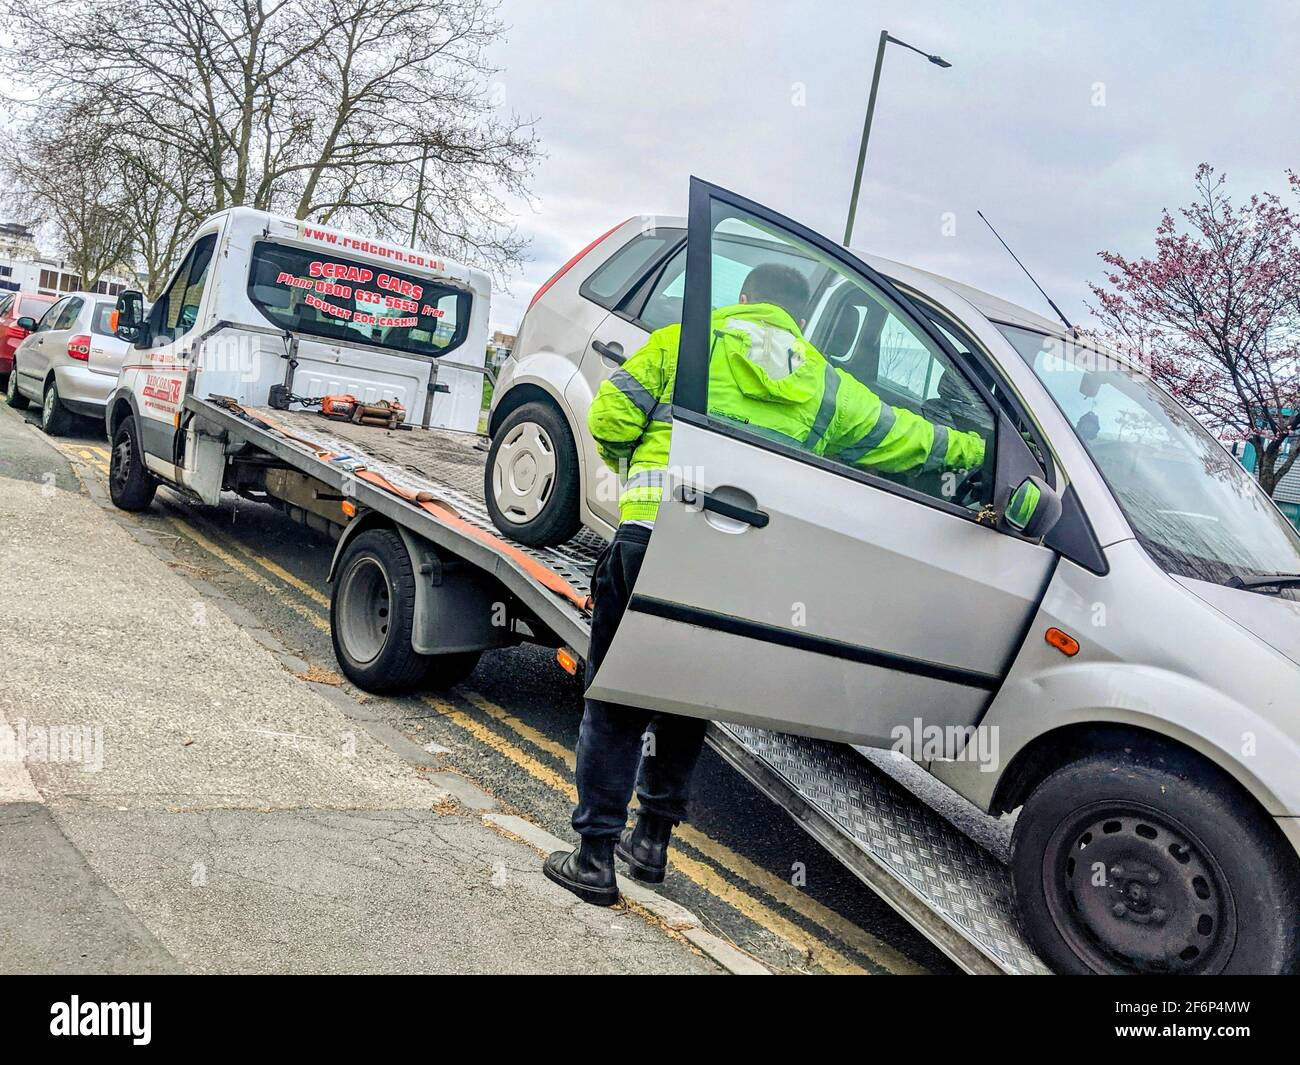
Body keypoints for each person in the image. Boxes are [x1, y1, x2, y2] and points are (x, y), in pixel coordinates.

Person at [542, 262, 986, 905]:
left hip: (654, 537)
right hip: (744, 568)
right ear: (797, 319)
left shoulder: (681, 342)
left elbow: (610, 419)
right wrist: (981, 450)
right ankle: (651, 844)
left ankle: (593, 859)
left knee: (615, 702)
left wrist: (633, 465)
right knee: (687, 699)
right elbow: (907, 439)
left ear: (745, 298)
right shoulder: (826, 384)